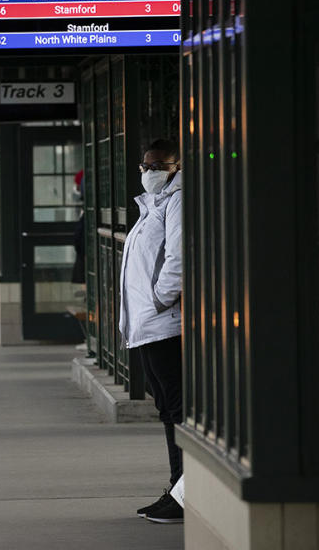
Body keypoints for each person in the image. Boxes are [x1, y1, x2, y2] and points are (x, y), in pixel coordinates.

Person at [118, 138, 184, 524]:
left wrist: (160, 300)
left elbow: (177, 257)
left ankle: (182, 496)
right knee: (166, 410)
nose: (149, 173)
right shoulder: (151, 206)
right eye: (145, 166)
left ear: (176, 166)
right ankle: (177, 488)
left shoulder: (176, 202)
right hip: (148, 325)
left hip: (165, 325)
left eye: (158, 165)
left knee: (177, 410)